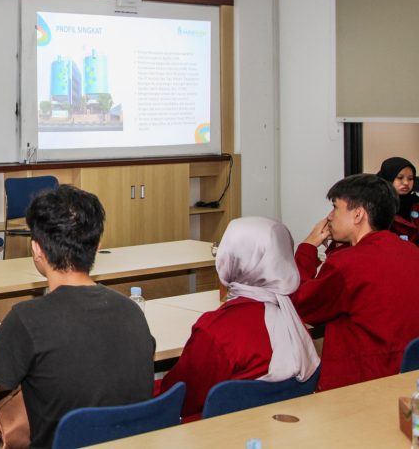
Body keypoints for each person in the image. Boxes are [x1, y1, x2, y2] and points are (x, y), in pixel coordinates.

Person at [0, 185, 155, 449]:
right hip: (119, 441)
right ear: (97, 247)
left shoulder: (29, 318)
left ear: (37, 250)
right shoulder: (131, 311)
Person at [158, 217, 319, 420]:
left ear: (230, 257)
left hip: (216, 433)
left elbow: (180, 398)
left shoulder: (217, 331)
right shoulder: (292, 321)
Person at [291, 173, 419, 391]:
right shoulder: (411, 251)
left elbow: (299, 303)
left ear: (358, 214)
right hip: (405, 378)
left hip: (358, 385)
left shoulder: (347, 264)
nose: (329, 217)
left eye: (335, 207)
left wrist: (308, 247)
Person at [377, 156, 419, 243]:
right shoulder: (377, 204)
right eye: (400, 178)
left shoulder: (416, 202)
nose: (406, 183)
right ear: (388, 178)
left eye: (410, 179)